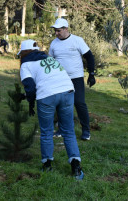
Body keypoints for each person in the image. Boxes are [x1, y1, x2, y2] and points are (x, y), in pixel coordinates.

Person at [19, 39, 84, 180]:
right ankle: (76, 168)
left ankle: (47, 166)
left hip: (47, 96)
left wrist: (28, 100)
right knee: (68, 131)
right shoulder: (49, 59)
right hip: (67, 91)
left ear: (23, 53)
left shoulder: (26, 64)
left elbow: (30, 89)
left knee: (46, 132)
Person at [49, 18, 96, 141]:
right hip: (60, 79)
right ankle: (61, 129)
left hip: (76, 78)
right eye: (55, 31)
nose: (56, 33)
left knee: (79, 103)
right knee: (61, 105)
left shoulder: (77, 40)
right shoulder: (54, 43)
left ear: (66, 29)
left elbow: (89, 57)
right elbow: (50, 61)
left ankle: (86, 131)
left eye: (58, 30)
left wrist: (91, 74)